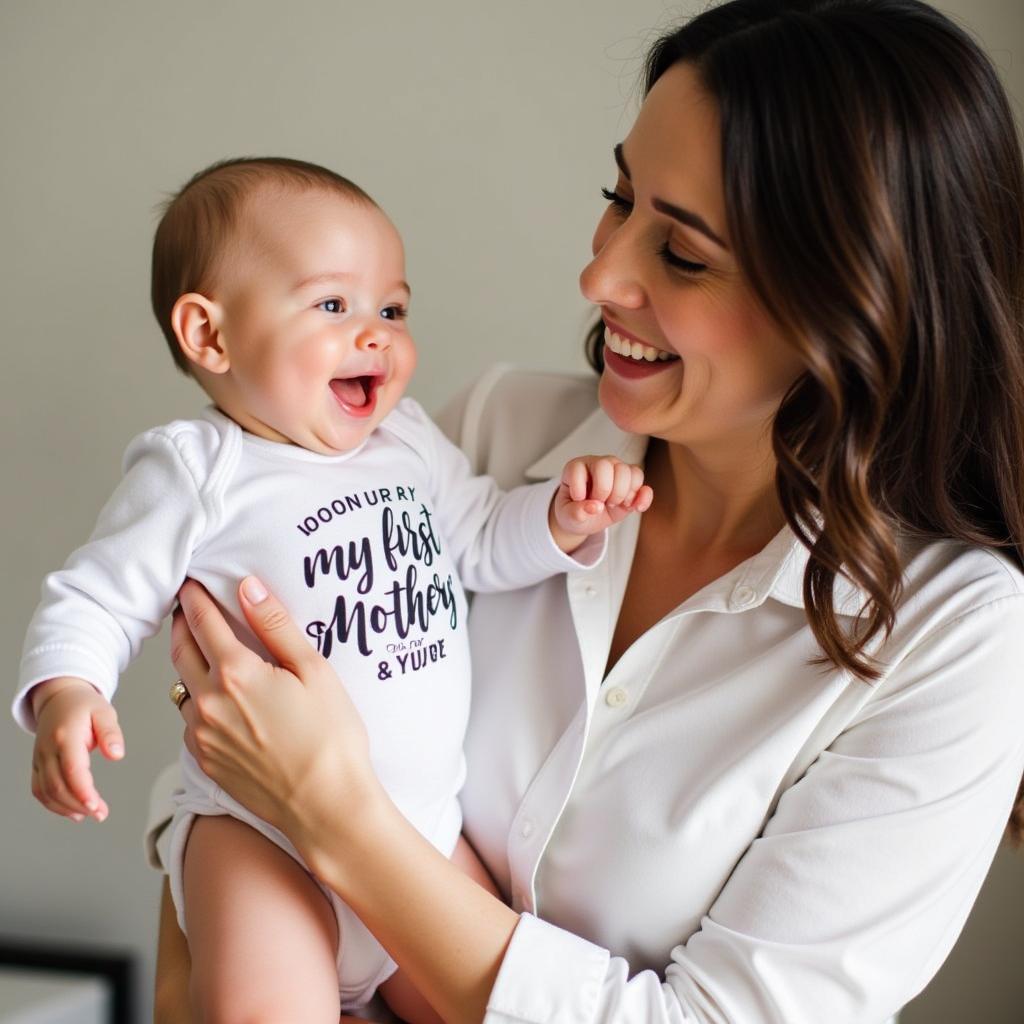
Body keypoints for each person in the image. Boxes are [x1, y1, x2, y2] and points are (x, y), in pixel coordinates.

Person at [147, 1, 1024, 1021]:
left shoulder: (954, 638)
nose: (600, 273)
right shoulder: (483, 439)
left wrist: (339, 816)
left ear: (856, 300)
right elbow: (217, 777)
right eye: (619, 198)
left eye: (684, 255)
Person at [14, 157, 652, 1023]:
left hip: (418, 834)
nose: (377, 334)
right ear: (210, 336)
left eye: (392, 308)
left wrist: (563, 520)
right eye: (333, 306)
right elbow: (98, 595)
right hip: (260, 839)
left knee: (492, 1002)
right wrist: (67, 693)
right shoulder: (199, 467)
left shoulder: (409, 440)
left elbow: (475, 537)